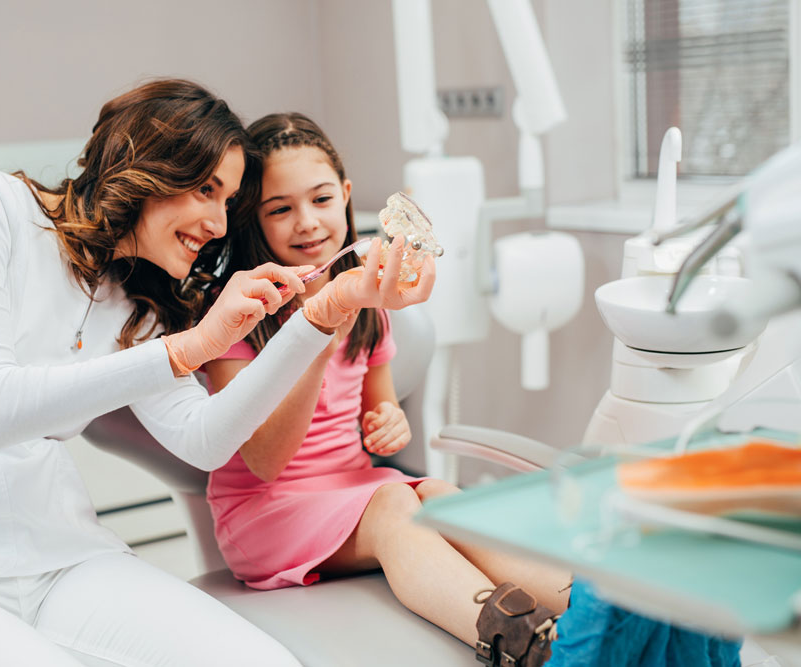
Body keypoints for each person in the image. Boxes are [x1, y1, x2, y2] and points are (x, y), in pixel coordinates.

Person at [0, 81, 433, 667]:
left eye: (228, 202)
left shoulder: (133, 301)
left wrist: (320, 319)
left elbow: (209, 440)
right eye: (206, 190)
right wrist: (190, 348)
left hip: (60, 559)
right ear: (149, 166)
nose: (219, 225)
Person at [204, 112, 572, 666]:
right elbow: (262, 461)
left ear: (347, 196)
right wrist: (318, 336)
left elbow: (379, 410)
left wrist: (388, 419)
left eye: (322, 199)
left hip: (354, 486)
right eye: (280, 209)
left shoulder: (369, 303)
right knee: (395, 498)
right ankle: (515, 642)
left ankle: (595, 605)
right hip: (263, 513)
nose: (307, 222)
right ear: (252, 221)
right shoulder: (242, 317)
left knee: (441, 497)